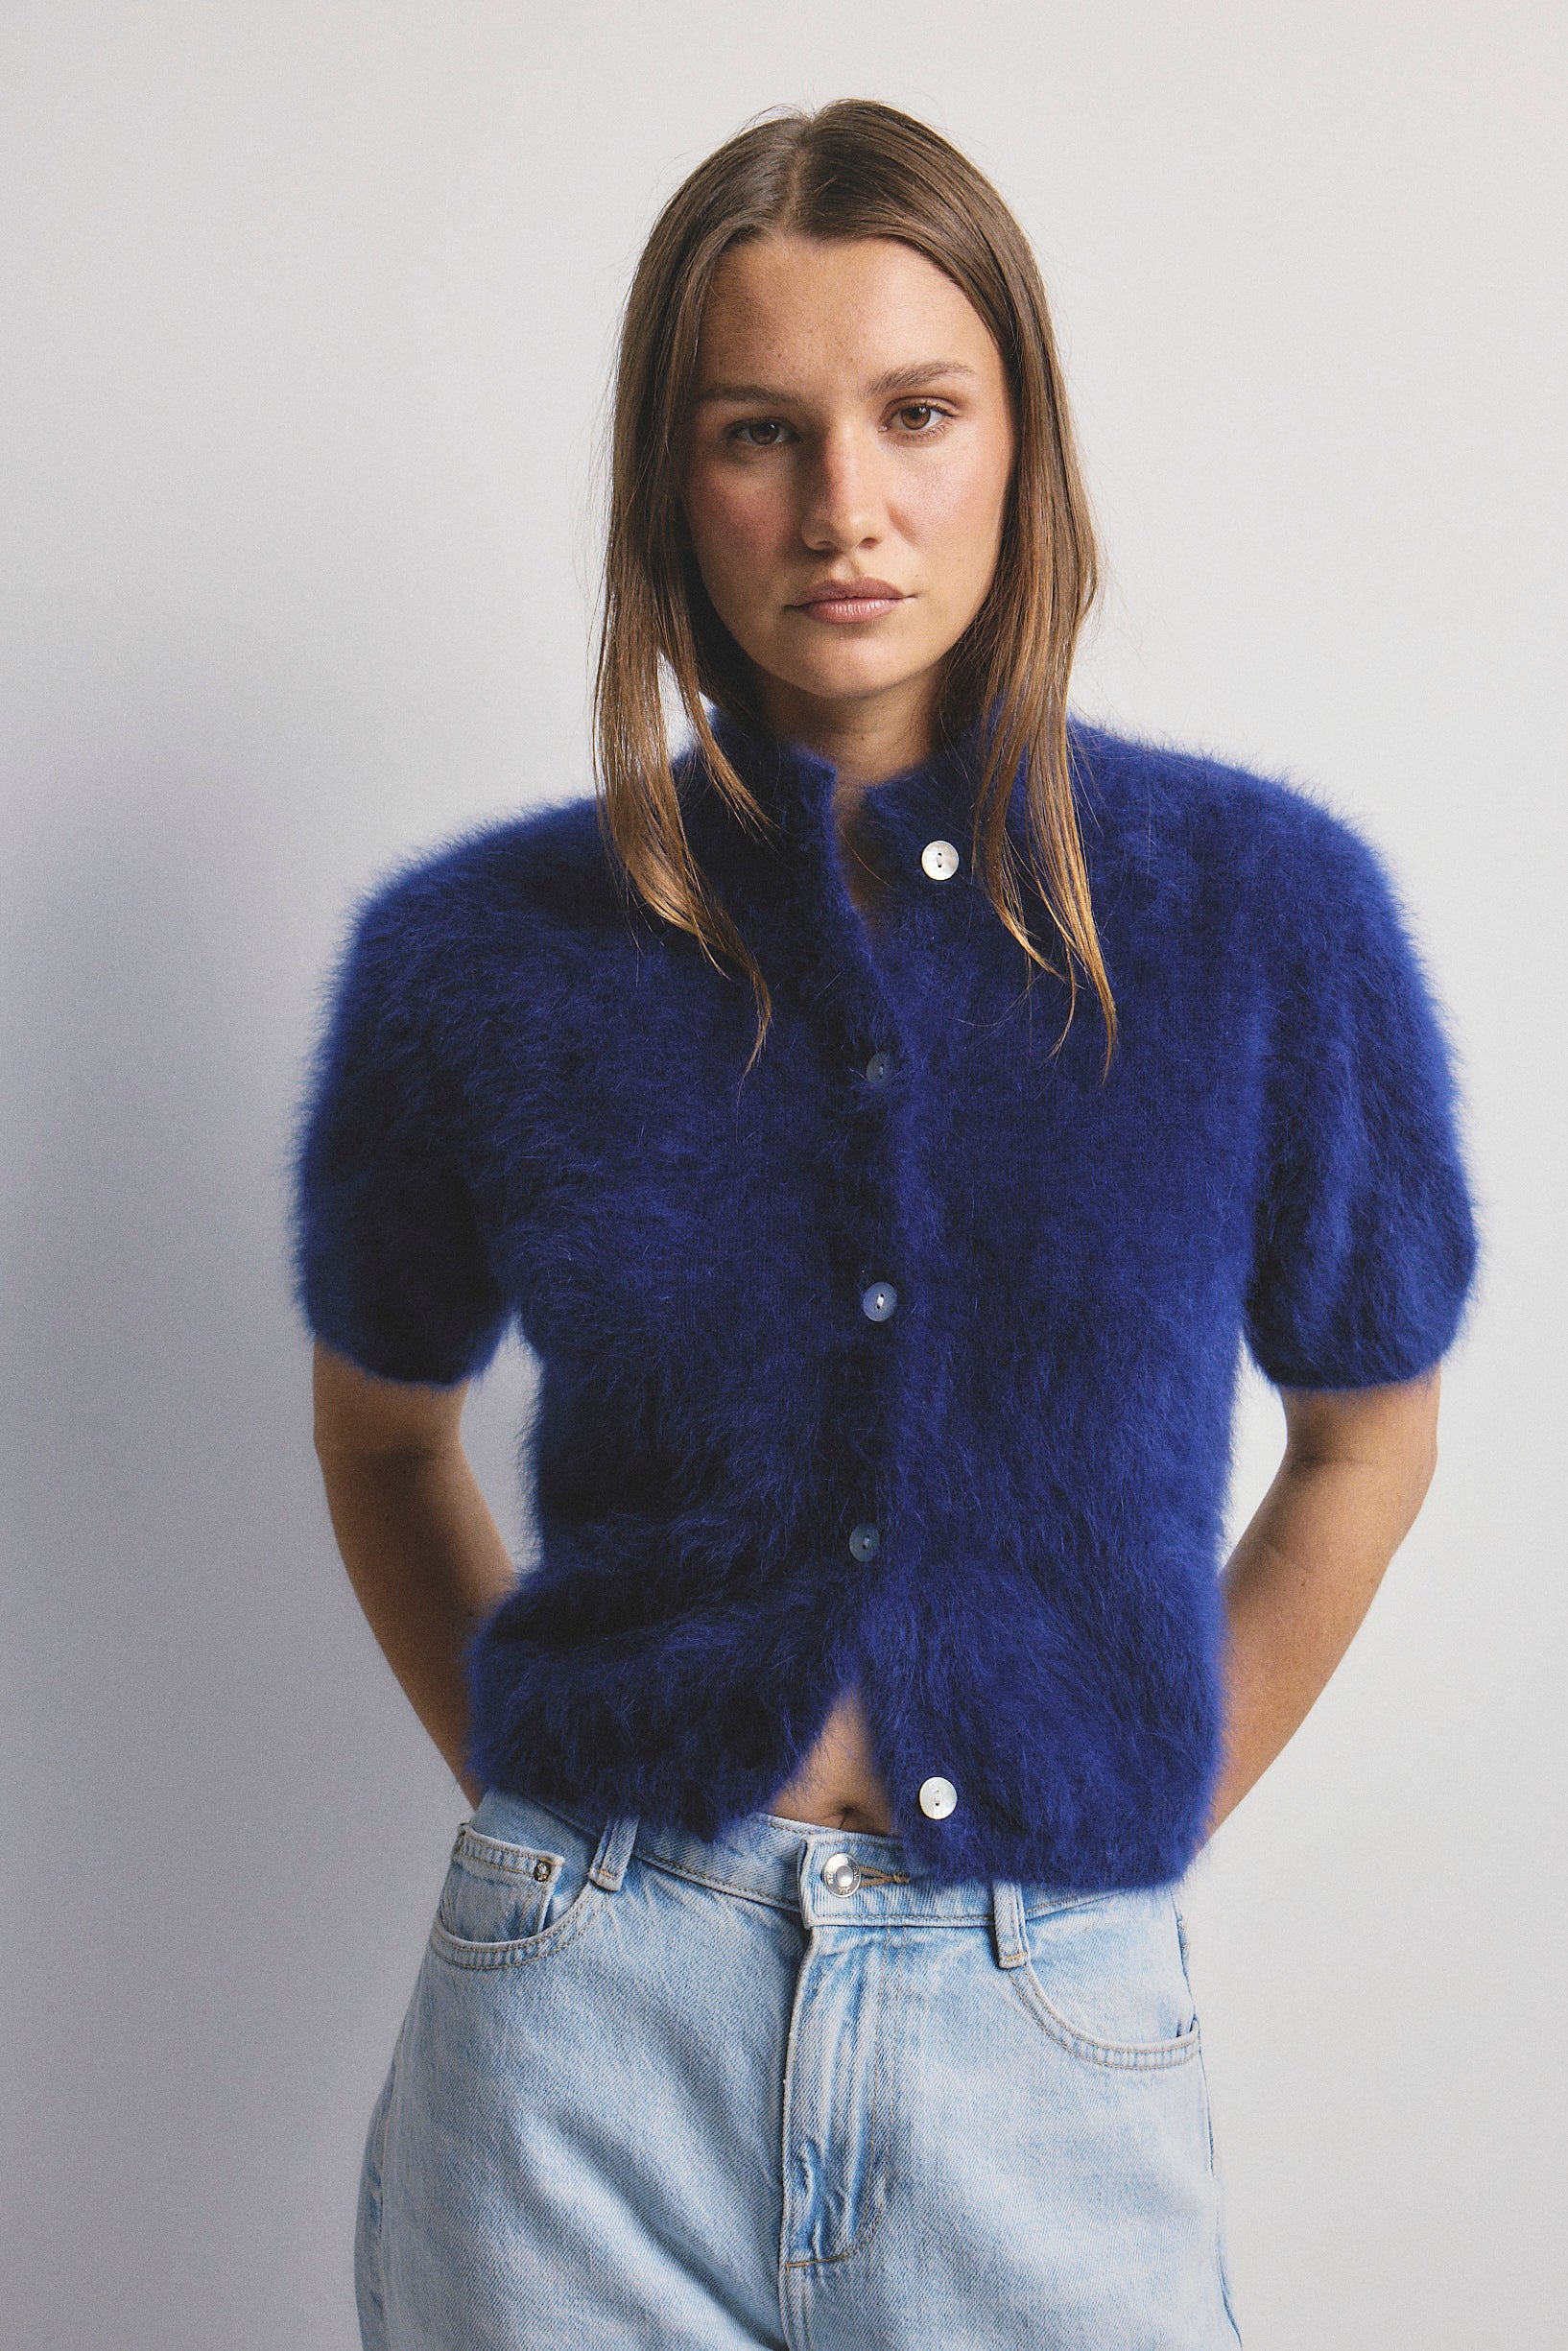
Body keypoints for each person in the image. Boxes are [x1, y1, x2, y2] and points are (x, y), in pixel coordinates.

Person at [292, 99, 1479, 2351]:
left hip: (1049, 2040)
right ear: (672, 483)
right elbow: (377, 1430)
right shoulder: (479, 956)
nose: (844, 503)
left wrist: (1141, 1793)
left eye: (916, 413)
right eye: (759, 431)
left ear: (1020, 440)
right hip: (574, 2058)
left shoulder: (1259, 919)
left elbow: (1370, 1434)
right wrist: (562, 1816)